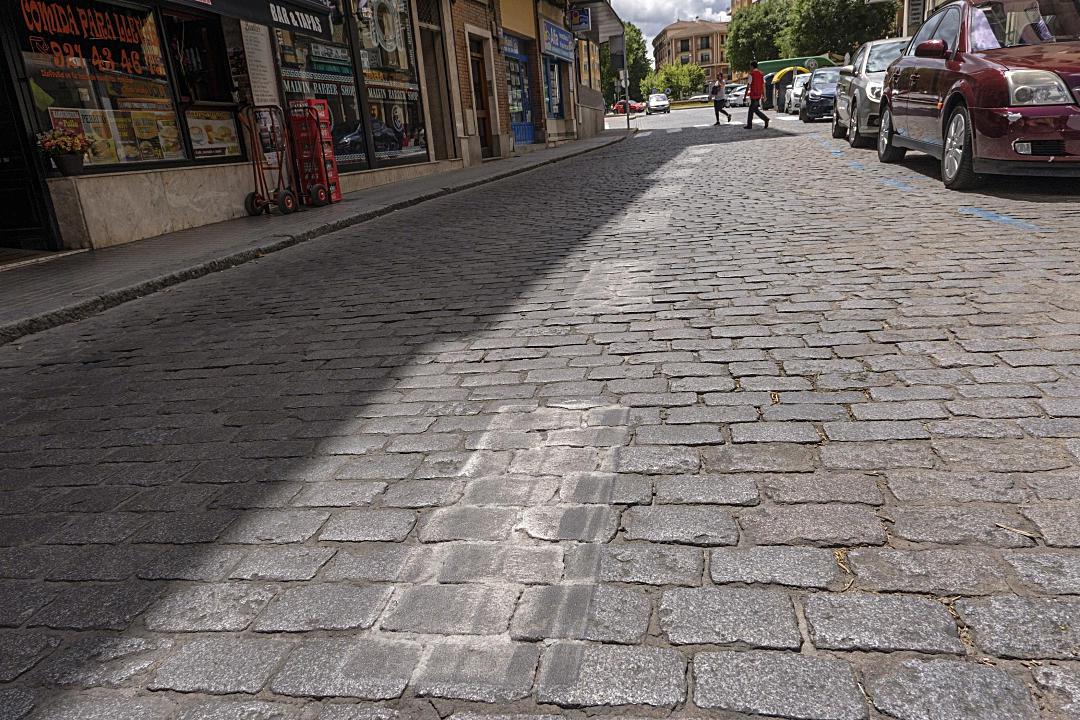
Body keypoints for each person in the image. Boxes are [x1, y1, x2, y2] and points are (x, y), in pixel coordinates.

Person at [745, 61, 769, 130]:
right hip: (758, 94)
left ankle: (750, 125)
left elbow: (748, 85)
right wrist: (764, 95)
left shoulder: (751, 74)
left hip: (753, 94)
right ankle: (765, 119)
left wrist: (745, 95)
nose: (750, 68)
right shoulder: (761, 74)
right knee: (755, 109)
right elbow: (763, 85)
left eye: (750, 66)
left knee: (751, 110)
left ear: (752, 66)